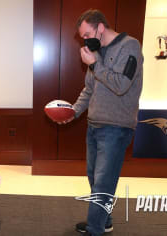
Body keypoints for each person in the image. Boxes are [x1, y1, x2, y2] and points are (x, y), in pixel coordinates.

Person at [56, 9, 143, 236]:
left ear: (100, 27)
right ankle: (104, 221)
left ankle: (95, 229)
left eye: (86, 35)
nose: (85, 40)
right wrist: (73, 112)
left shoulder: (130, 46)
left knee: (104, 182)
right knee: (95, 178)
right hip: (94, 125)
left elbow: (121, 84)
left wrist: (95, 64)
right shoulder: (97, 51)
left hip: (116, 127)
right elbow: (90, 88)